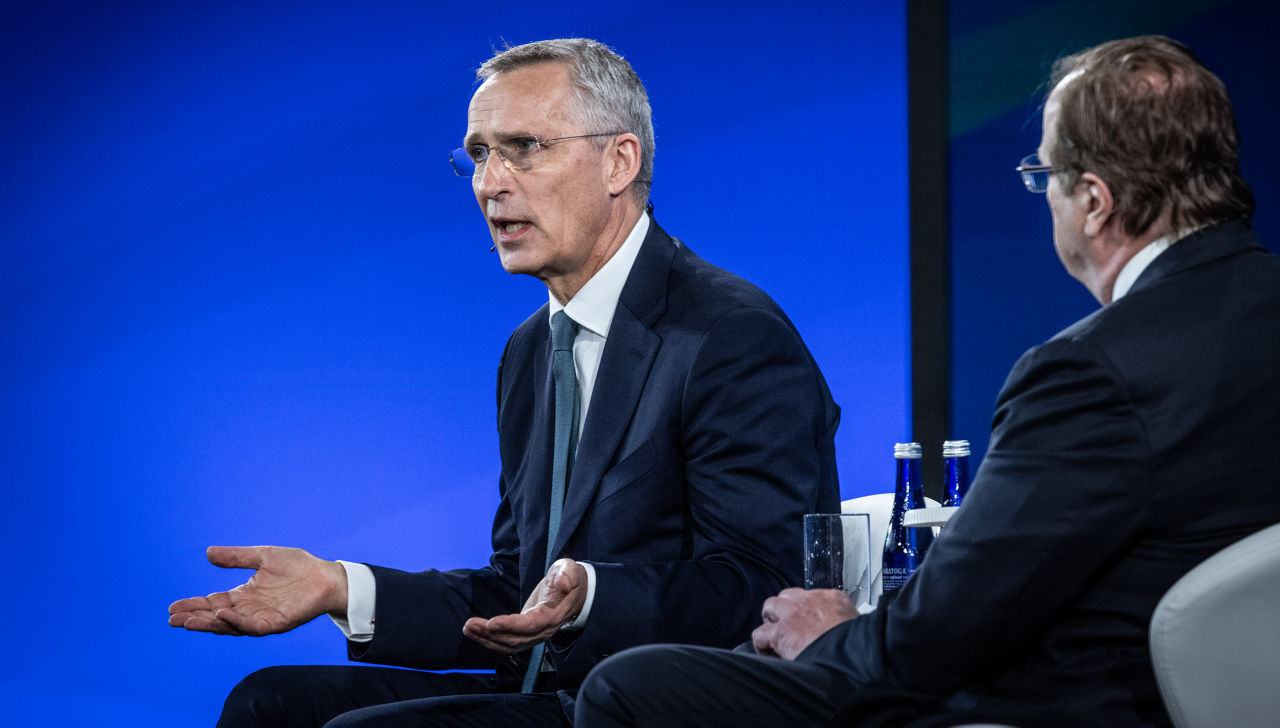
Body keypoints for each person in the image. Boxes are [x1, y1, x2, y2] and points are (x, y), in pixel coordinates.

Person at [574, 35, 1280, 728]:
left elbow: (943, 632)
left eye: (1045, 177)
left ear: (1094, 200)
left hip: (1065, 702)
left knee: (633, 686)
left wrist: (830, 635)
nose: (1048, 202)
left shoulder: (1091, 374)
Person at [167, 38, 841, 727]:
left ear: (619, 160)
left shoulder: (729, 333)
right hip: (546, 690)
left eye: (525, 147)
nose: (490, 182)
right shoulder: (529, 349)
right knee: (269, 704)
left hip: (656, 704)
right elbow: (515, 588)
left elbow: (764, 582)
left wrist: (591, 597)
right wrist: (340, 588)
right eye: (481, 153)